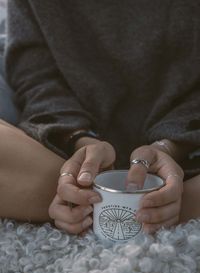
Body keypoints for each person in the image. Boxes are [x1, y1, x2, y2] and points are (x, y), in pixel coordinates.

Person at [1, 0, 199, 235]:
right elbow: (37, 77)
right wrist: (79, 141)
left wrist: (171, 147)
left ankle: (95, 203)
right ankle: (87, 197)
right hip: (56, 140)